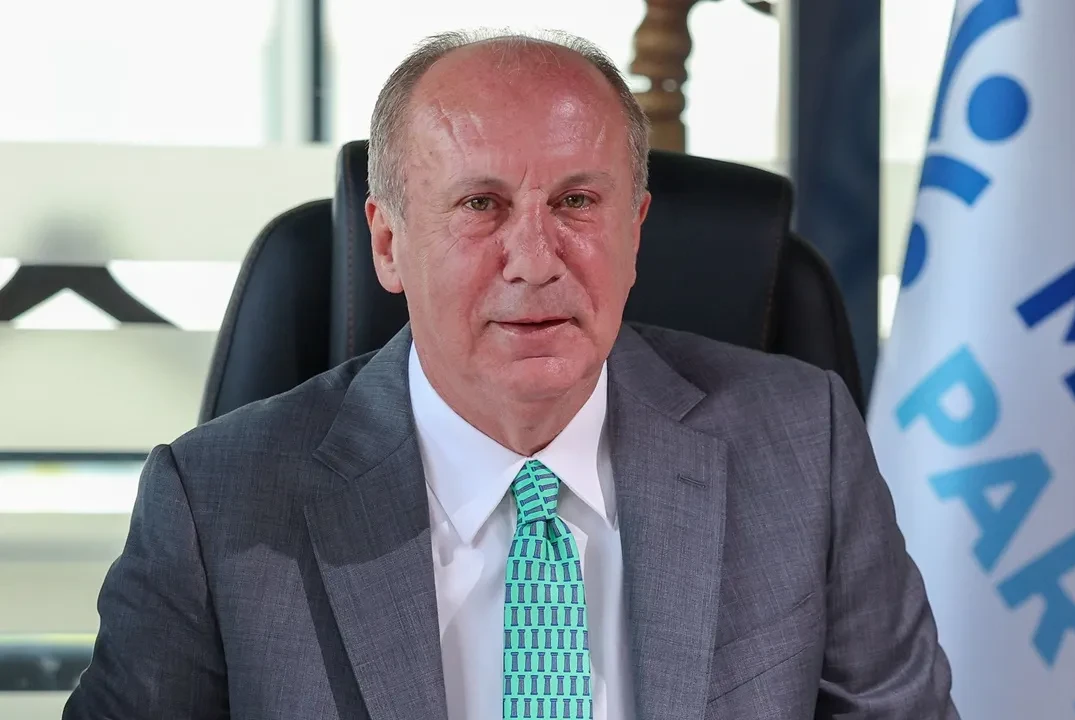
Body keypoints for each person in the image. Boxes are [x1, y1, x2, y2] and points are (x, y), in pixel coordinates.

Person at [63, 29, 958, 720]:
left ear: (635, 230)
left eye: (577, 202)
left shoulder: (802, 447)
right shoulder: (216, 505)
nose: (534, 260)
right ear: (387, 242)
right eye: (481, 205)